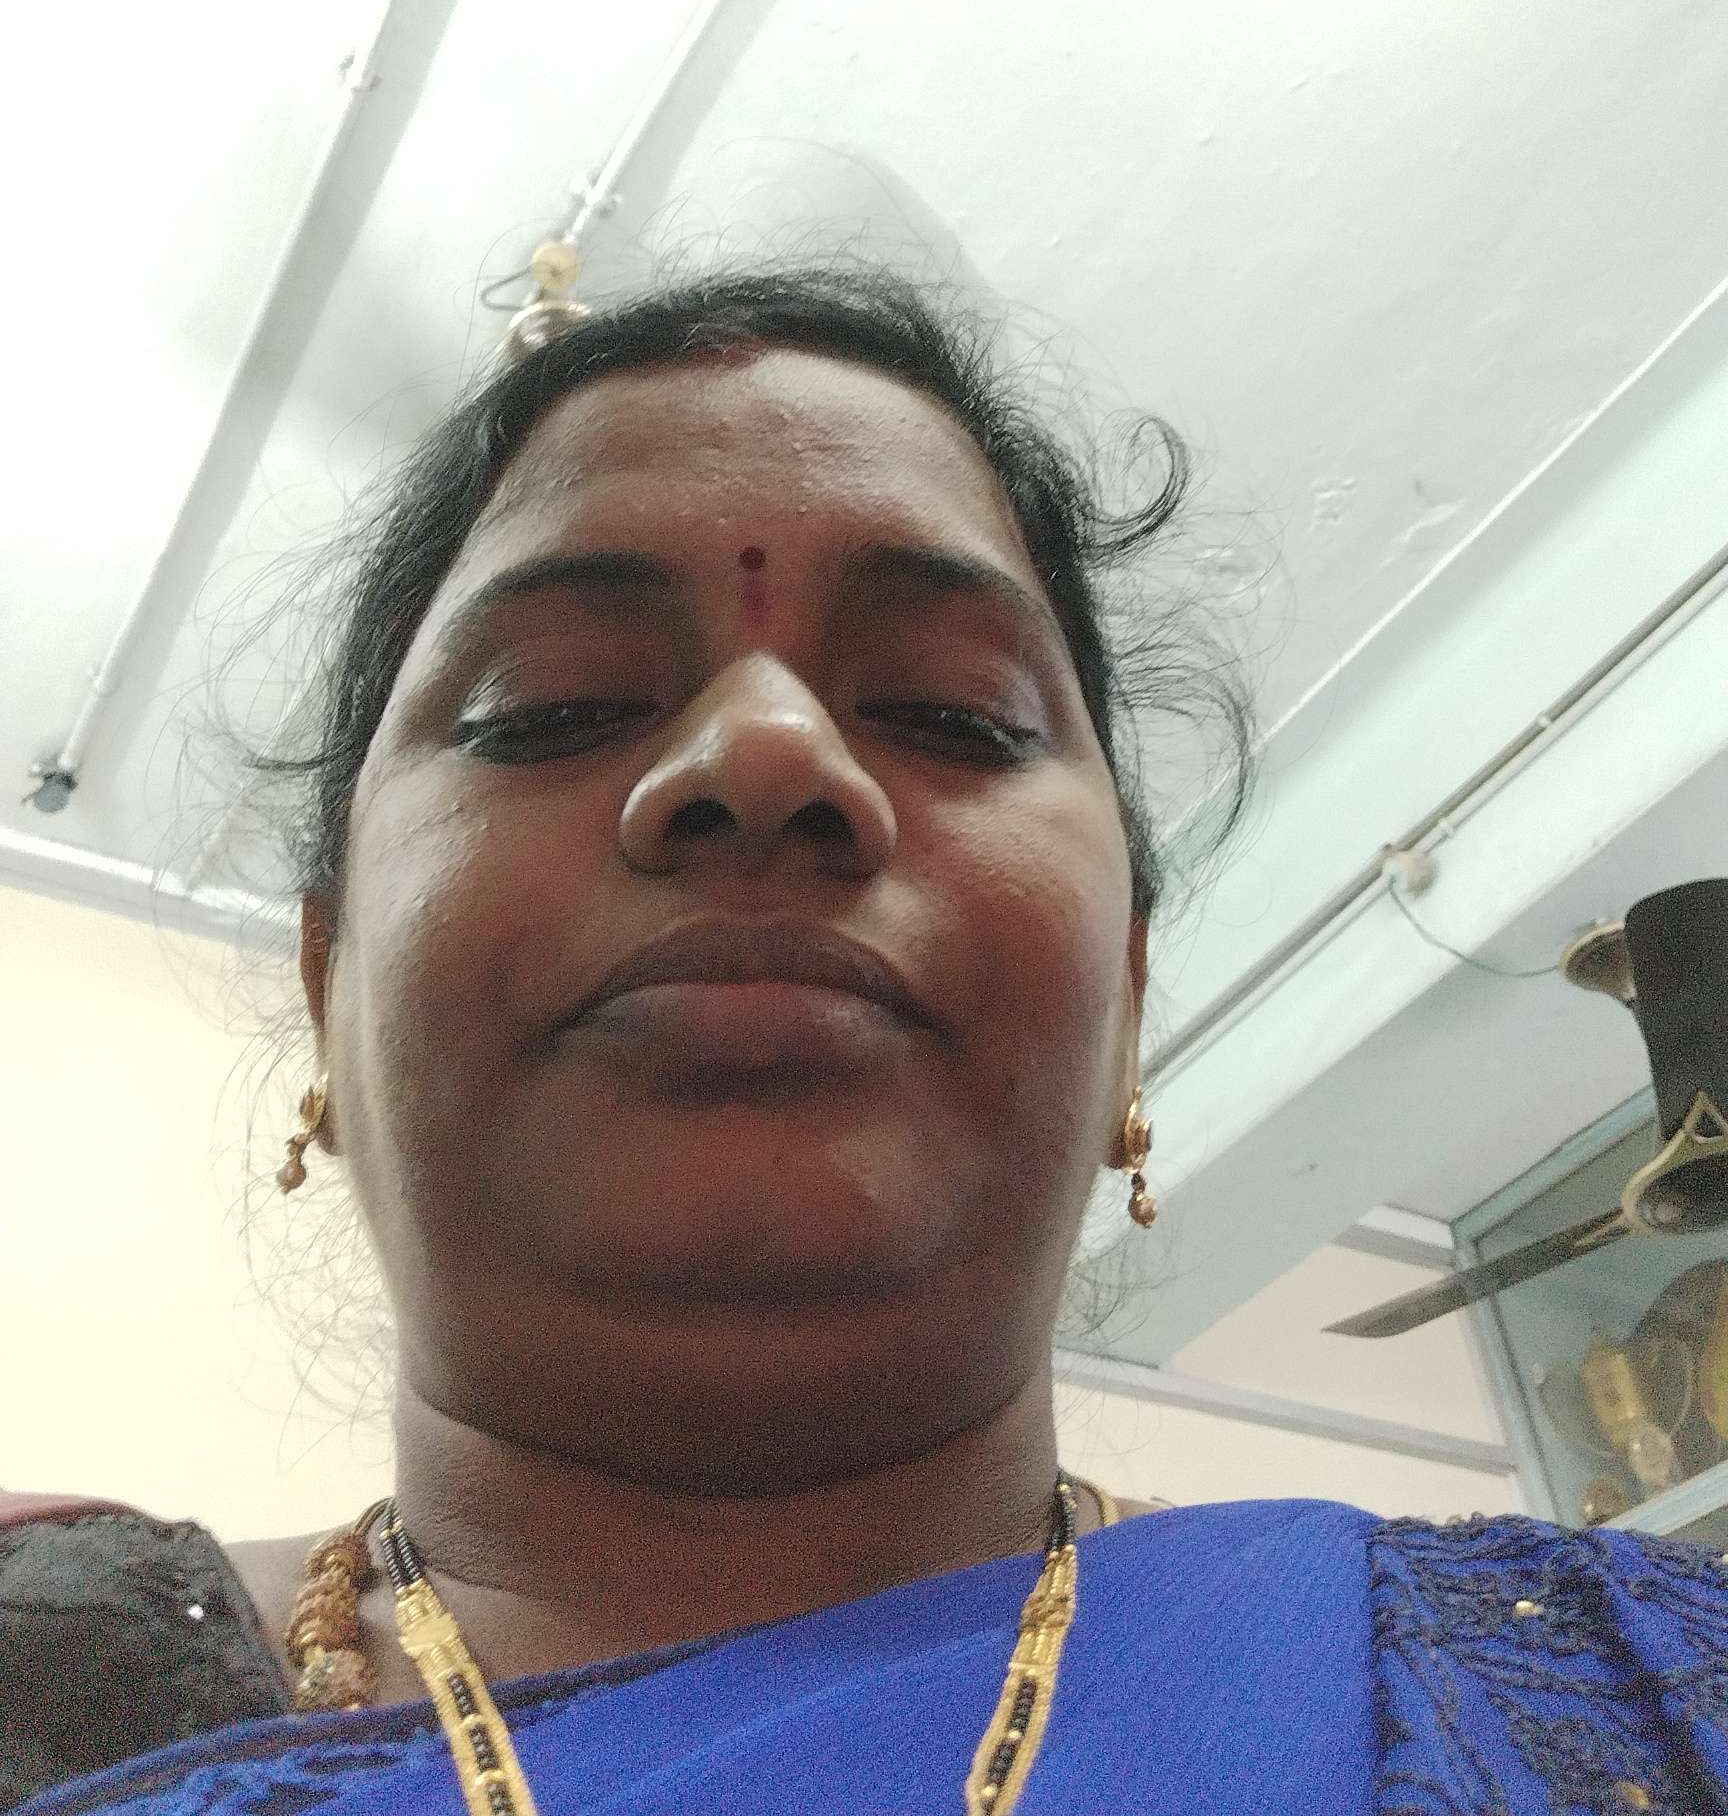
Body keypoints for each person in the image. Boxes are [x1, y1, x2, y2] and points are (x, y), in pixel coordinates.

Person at [5, 263, 1727, 1816]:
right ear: (327, 978)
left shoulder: (1648, 1696)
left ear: (1129, 1004)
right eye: (555, 708)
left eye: (951, 714)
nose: (766, 756)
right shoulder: (44, 1683)